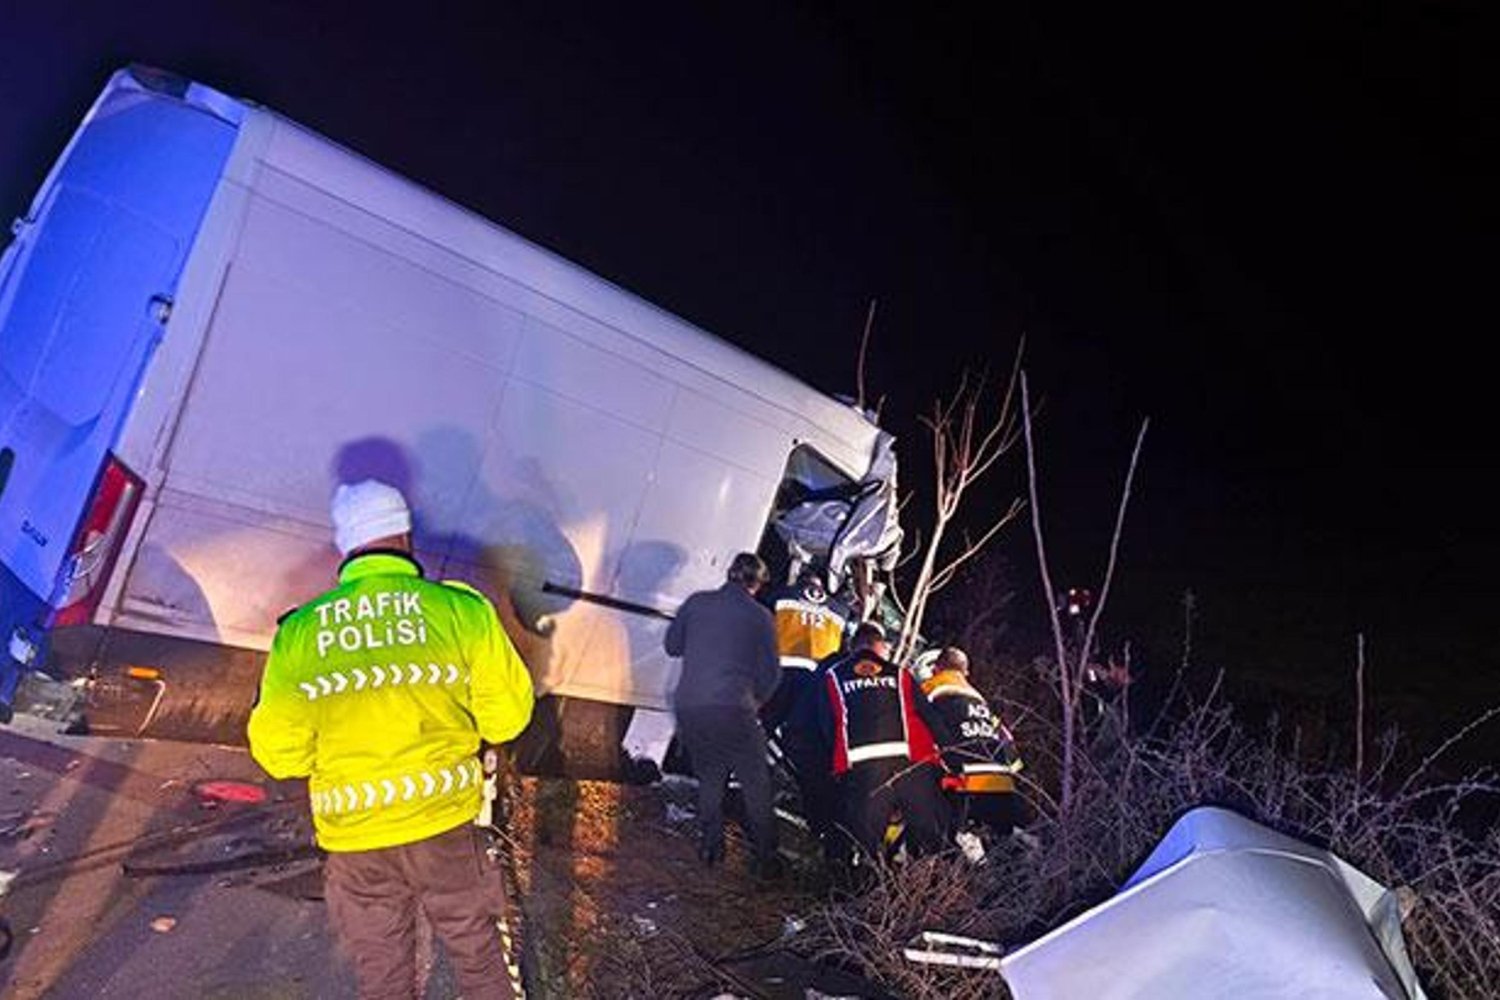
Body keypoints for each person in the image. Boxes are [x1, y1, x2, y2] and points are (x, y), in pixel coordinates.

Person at [247, 480, 535, 1000]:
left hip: (356, 839)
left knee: (384, 977)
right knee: (478, 957)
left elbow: (279, 754)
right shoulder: (460, 611)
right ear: (404, 533)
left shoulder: (300, 633)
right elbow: (508, 719)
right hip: (444, 826)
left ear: (346, 543)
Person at [663, 551, 782, 877]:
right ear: (756, 584)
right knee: (755, 782)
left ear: (729, 574)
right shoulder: (761, 618)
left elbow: (672, 646)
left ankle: (711, 846)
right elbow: (771, 673)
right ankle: (766, 858)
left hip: (691, 706)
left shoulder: (697, 602)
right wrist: (756, 700)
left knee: (710, 775)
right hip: (734, 707)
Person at [817, 631, 952, 863]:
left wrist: (835, 764)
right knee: (933, 840)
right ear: (876, 646)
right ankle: (948, 885)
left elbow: (825, 723)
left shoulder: (832, 676)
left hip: (864, 772)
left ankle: (866, 888)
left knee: (867, 846)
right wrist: (954, 757)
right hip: (909, 767)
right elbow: (931, 717)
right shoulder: (900, 674)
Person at [778, 619, 887, 863]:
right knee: (840, 805)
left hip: (808, 740)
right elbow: (834, 720)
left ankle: (829, 848)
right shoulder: (841, 672)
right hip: (811, 745)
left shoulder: (839, 666)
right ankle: (832, 861)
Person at [919, 646, 1028, 842]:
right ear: (966, 673)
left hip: (966, 786)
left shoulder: (931, 688)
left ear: (935, 669)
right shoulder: (979, 699)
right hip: (1002, 785)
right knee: (1001, 847)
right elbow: (1007, 738)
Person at [760, 563, 851, 735]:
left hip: (783, 673)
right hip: (816, 681)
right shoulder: (840, 612)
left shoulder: (782, 595)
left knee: (768, 720)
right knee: (797, 727)